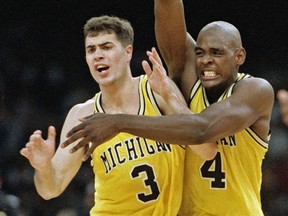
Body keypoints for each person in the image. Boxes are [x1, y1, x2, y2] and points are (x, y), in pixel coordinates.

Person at [61, 0, 275, 215]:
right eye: (200, 53)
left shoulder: (255, 90)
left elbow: (200, 130)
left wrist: (118, 122)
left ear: (239, 56)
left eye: (216, 53)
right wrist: (171, 98)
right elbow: (167, 7)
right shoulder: (190, 83)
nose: (206, 61)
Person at [20, 15, 216, 215]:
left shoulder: (156, 91)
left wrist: (170, 97)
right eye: (91, 50)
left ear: (127, 52)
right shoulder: (83, 114)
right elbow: (50, 189)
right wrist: (43, 167)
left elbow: (207, 150)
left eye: (106, 47)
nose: (98, 55)